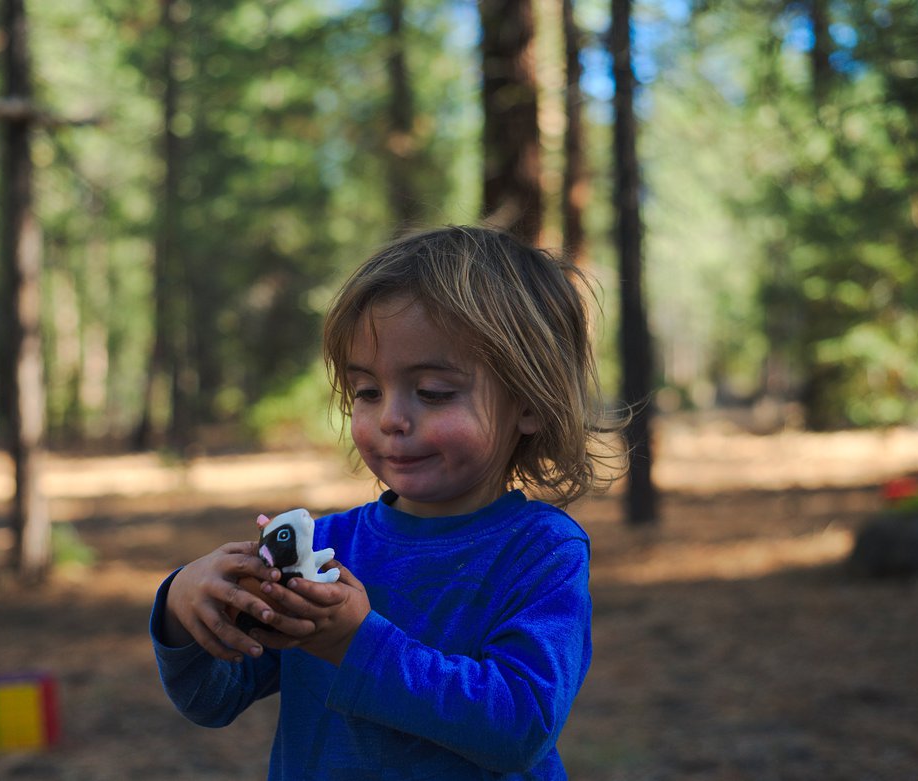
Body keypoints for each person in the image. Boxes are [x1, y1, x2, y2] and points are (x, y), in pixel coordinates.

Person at [150, 225, 618, 779]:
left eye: (434, 392)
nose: (391, 418)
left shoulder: (541, 551)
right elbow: (214, 699)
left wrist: (357, 644)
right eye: (367, 392)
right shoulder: (324, 549)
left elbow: (521, 724)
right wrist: (185, 607)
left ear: (529, 403)